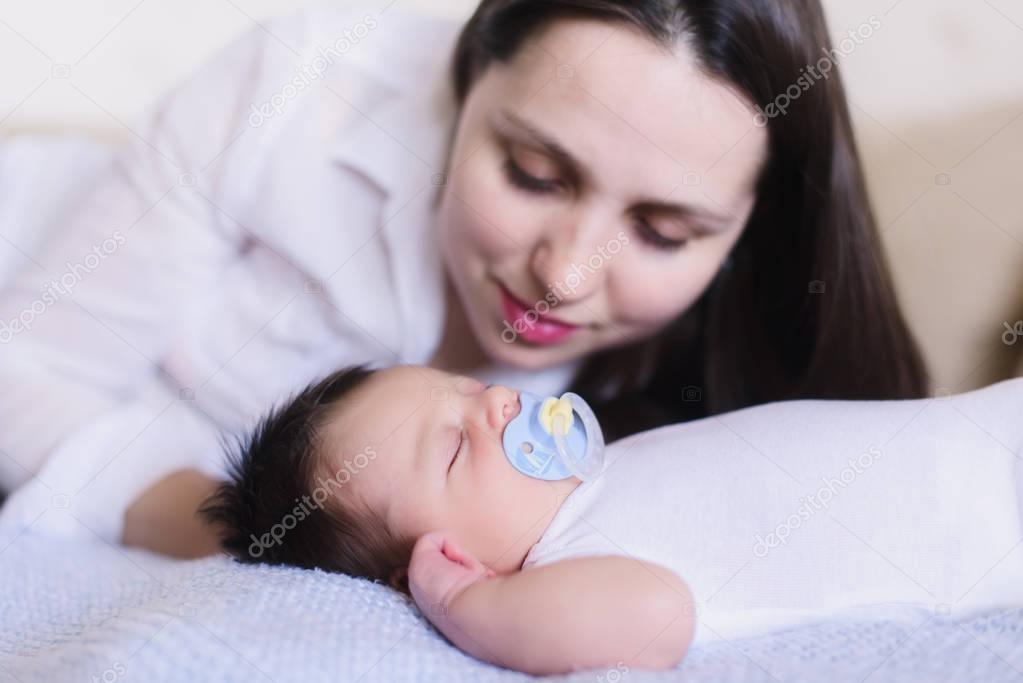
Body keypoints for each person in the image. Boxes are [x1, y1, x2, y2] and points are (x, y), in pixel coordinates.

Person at [0, 1, 926, 549]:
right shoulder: (297, 85)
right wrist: (248, 532)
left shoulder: (749, 358)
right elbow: (23, 374)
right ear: (469, 76)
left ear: (745, 240)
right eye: (532, 174)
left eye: (662, 230)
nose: (563, 274)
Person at [198, 364, 1023, 674]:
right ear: (440, 558)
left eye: (458, 384)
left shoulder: (605, 478)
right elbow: (656, 618)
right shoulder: (566, 566)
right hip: (982, 525)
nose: (491, 400)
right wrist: (462, 606)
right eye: (452, 447)